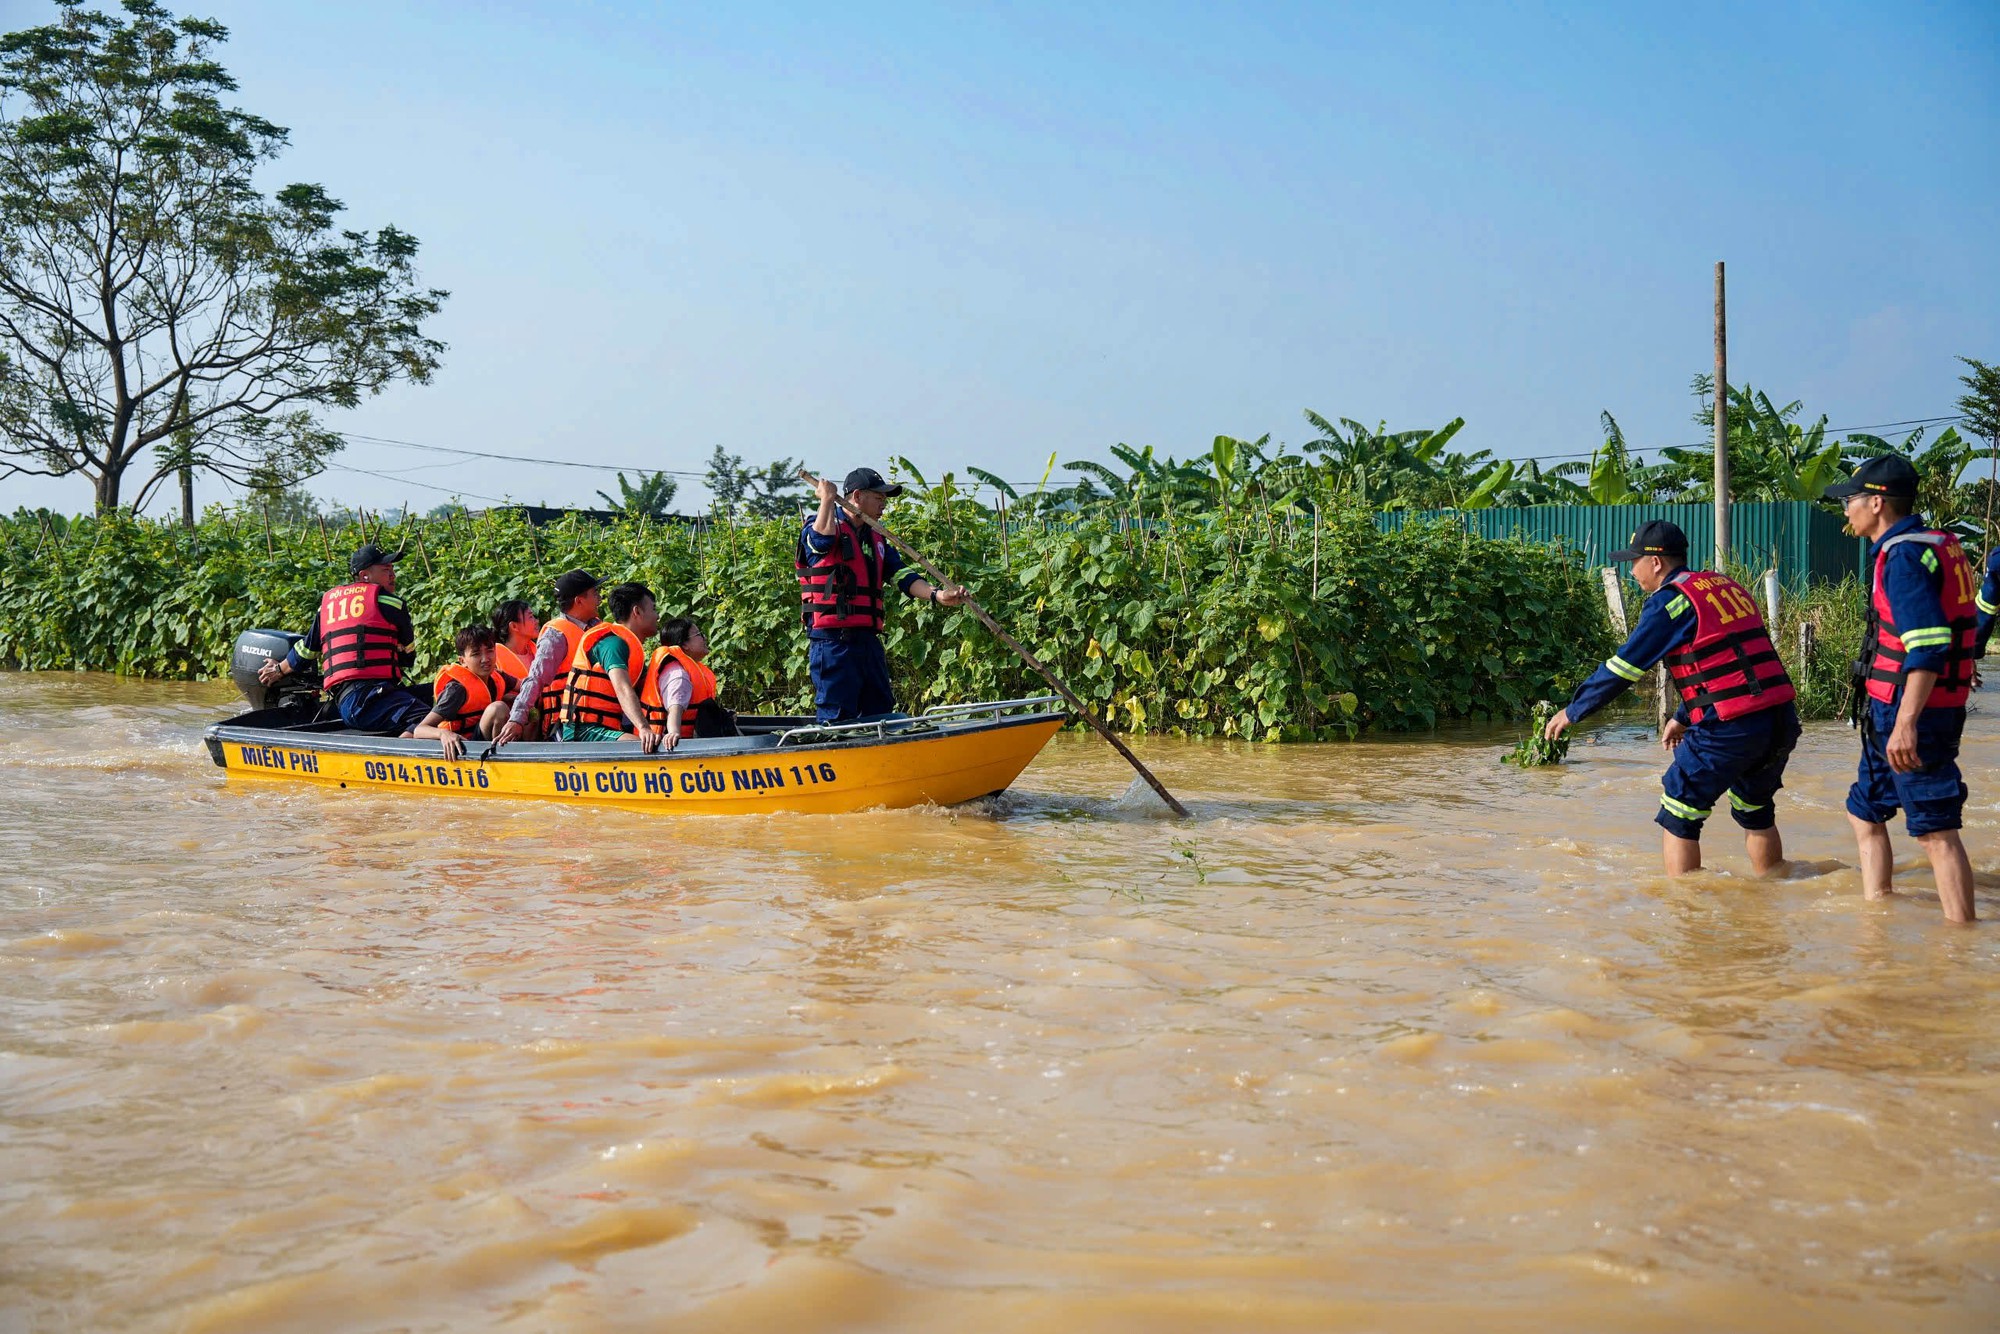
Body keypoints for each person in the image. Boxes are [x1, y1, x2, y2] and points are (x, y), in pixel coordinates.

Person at [1544, 520, 1801, 877]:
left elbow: (1623, 668)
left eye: (1634, 562)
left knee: (1679, 810)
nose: (1631, 571)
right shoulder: (1723, 587)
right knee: (1754, 808)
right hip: (1779, 719)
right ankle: (1774, 888)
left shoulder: (1670, 603)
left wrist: (1573, 711)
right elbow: (1727, 662)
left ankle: (1684, 912)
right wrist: (1683, 715)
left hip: (1731, 727)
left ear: (1655, 562)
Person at [1826, 456, 1978, 923]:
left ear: (1877, 502)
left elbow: (1929, 644)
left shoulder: (1904, 557)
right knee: (1865, 810)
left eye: (1850, 500)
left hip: (1912, 712)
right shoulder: (1936, 543)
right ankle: (1880, 916)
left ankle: (1962, 936)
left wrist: (1907, 723)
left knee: (1936, 830)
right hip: (1888, 710)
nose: (1846, 509)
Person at [798, 467, 967, 723]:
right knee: (838, 717)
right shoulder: (820, 525)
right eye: (878, 499)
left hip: (867, 641)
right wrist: (826, 499)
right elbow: (820, 544)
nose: (883, 507)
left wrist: (937, 595)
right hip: (832, 643)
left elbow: (901, 575)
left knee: (881, 712)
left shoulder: (876, 537)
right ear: (857, 496)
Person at [256, 543, 430, 736]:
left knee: (438, 697)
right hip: (371, 701)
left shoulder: (328, 606)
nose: (393, 575)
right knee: (434, 720)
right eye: (386, 570)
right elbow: (408, 658)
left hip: (348, 702)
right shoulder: (393, 604)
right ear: (365, 576)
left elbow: (307, 650)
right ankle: (400, 754)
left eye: (392, 570)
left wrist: (279, 669)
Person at [494, 570, 600, 747]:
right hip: (567, 725)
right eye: (595, 594)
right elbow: (535, 678)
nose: (599, 598)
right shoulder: (555, 636)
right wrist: (517, 719)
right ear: (579, 601)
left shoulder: (595, 627)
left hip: (598, 716)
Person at [556, 580, 662, 750]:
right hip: (583, 731)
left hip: (606, 727)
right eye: (654, 609)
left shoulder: (628, 646)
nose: (657, 616)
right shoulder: (613, 643)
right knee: (638, 745)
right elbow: (622, 688)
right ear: (637, 612)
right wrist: (643, 728)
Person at [413, 625, 513, 760]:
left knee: (522, 702)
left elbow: (526, 686)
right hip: (465, 749)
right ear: (462, 661)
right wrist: (443, 734)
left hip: (482, 736)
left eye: (489, 651)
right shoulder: (457, 690)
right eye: (476, 654)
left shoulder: (498, 677)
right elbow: (420, 730)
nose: (485, 659)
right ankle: (500, 759)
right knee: (498, 708)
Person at [642, 617, 737, 746]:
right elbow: (675, 708)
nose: (704, 638)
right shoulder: (679, 675)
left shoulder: (682, 668)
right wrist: (674, 732)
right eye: (698, 635)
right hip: (684, 744)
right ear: (685, 644)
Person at [491, 599, 540, 681]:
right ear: (514, 626)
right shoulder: (494, 659)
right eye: (531, 617)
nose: (536, 621)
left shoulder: (538, 651)